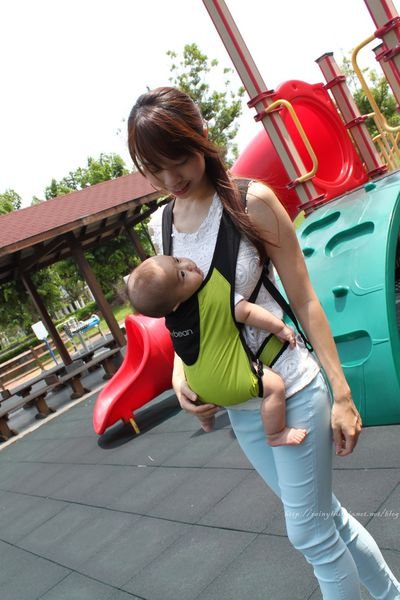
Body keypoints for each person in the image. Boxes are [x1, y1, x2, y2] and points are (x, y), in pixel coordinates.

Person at [127, 86, 400, 599]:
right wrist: (181, 375)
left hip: (293, 388)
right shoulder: (161, 225)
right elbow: (181, 315)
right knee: (327, 520)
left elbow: (306, 298)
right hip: (243, 408)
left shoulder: (251, 202)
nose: (170, 180)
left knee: (310, 533)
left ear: (201, 136)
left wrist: (342, 394)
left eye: (178, 160)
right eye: (154, 170)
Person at [127, 254, 307, 446]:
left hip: (198, 389)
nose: (188, 265)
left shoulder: (172, 320)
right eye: (182, 275)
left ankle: (206, 420)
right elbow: (247, 312)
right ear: (176, 303)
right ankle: (275, 434)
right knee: (275, 387)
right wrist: (279, 328)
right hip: (231, 382)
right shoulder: (213, 295)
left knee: (203, 395)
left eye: (177, 260)